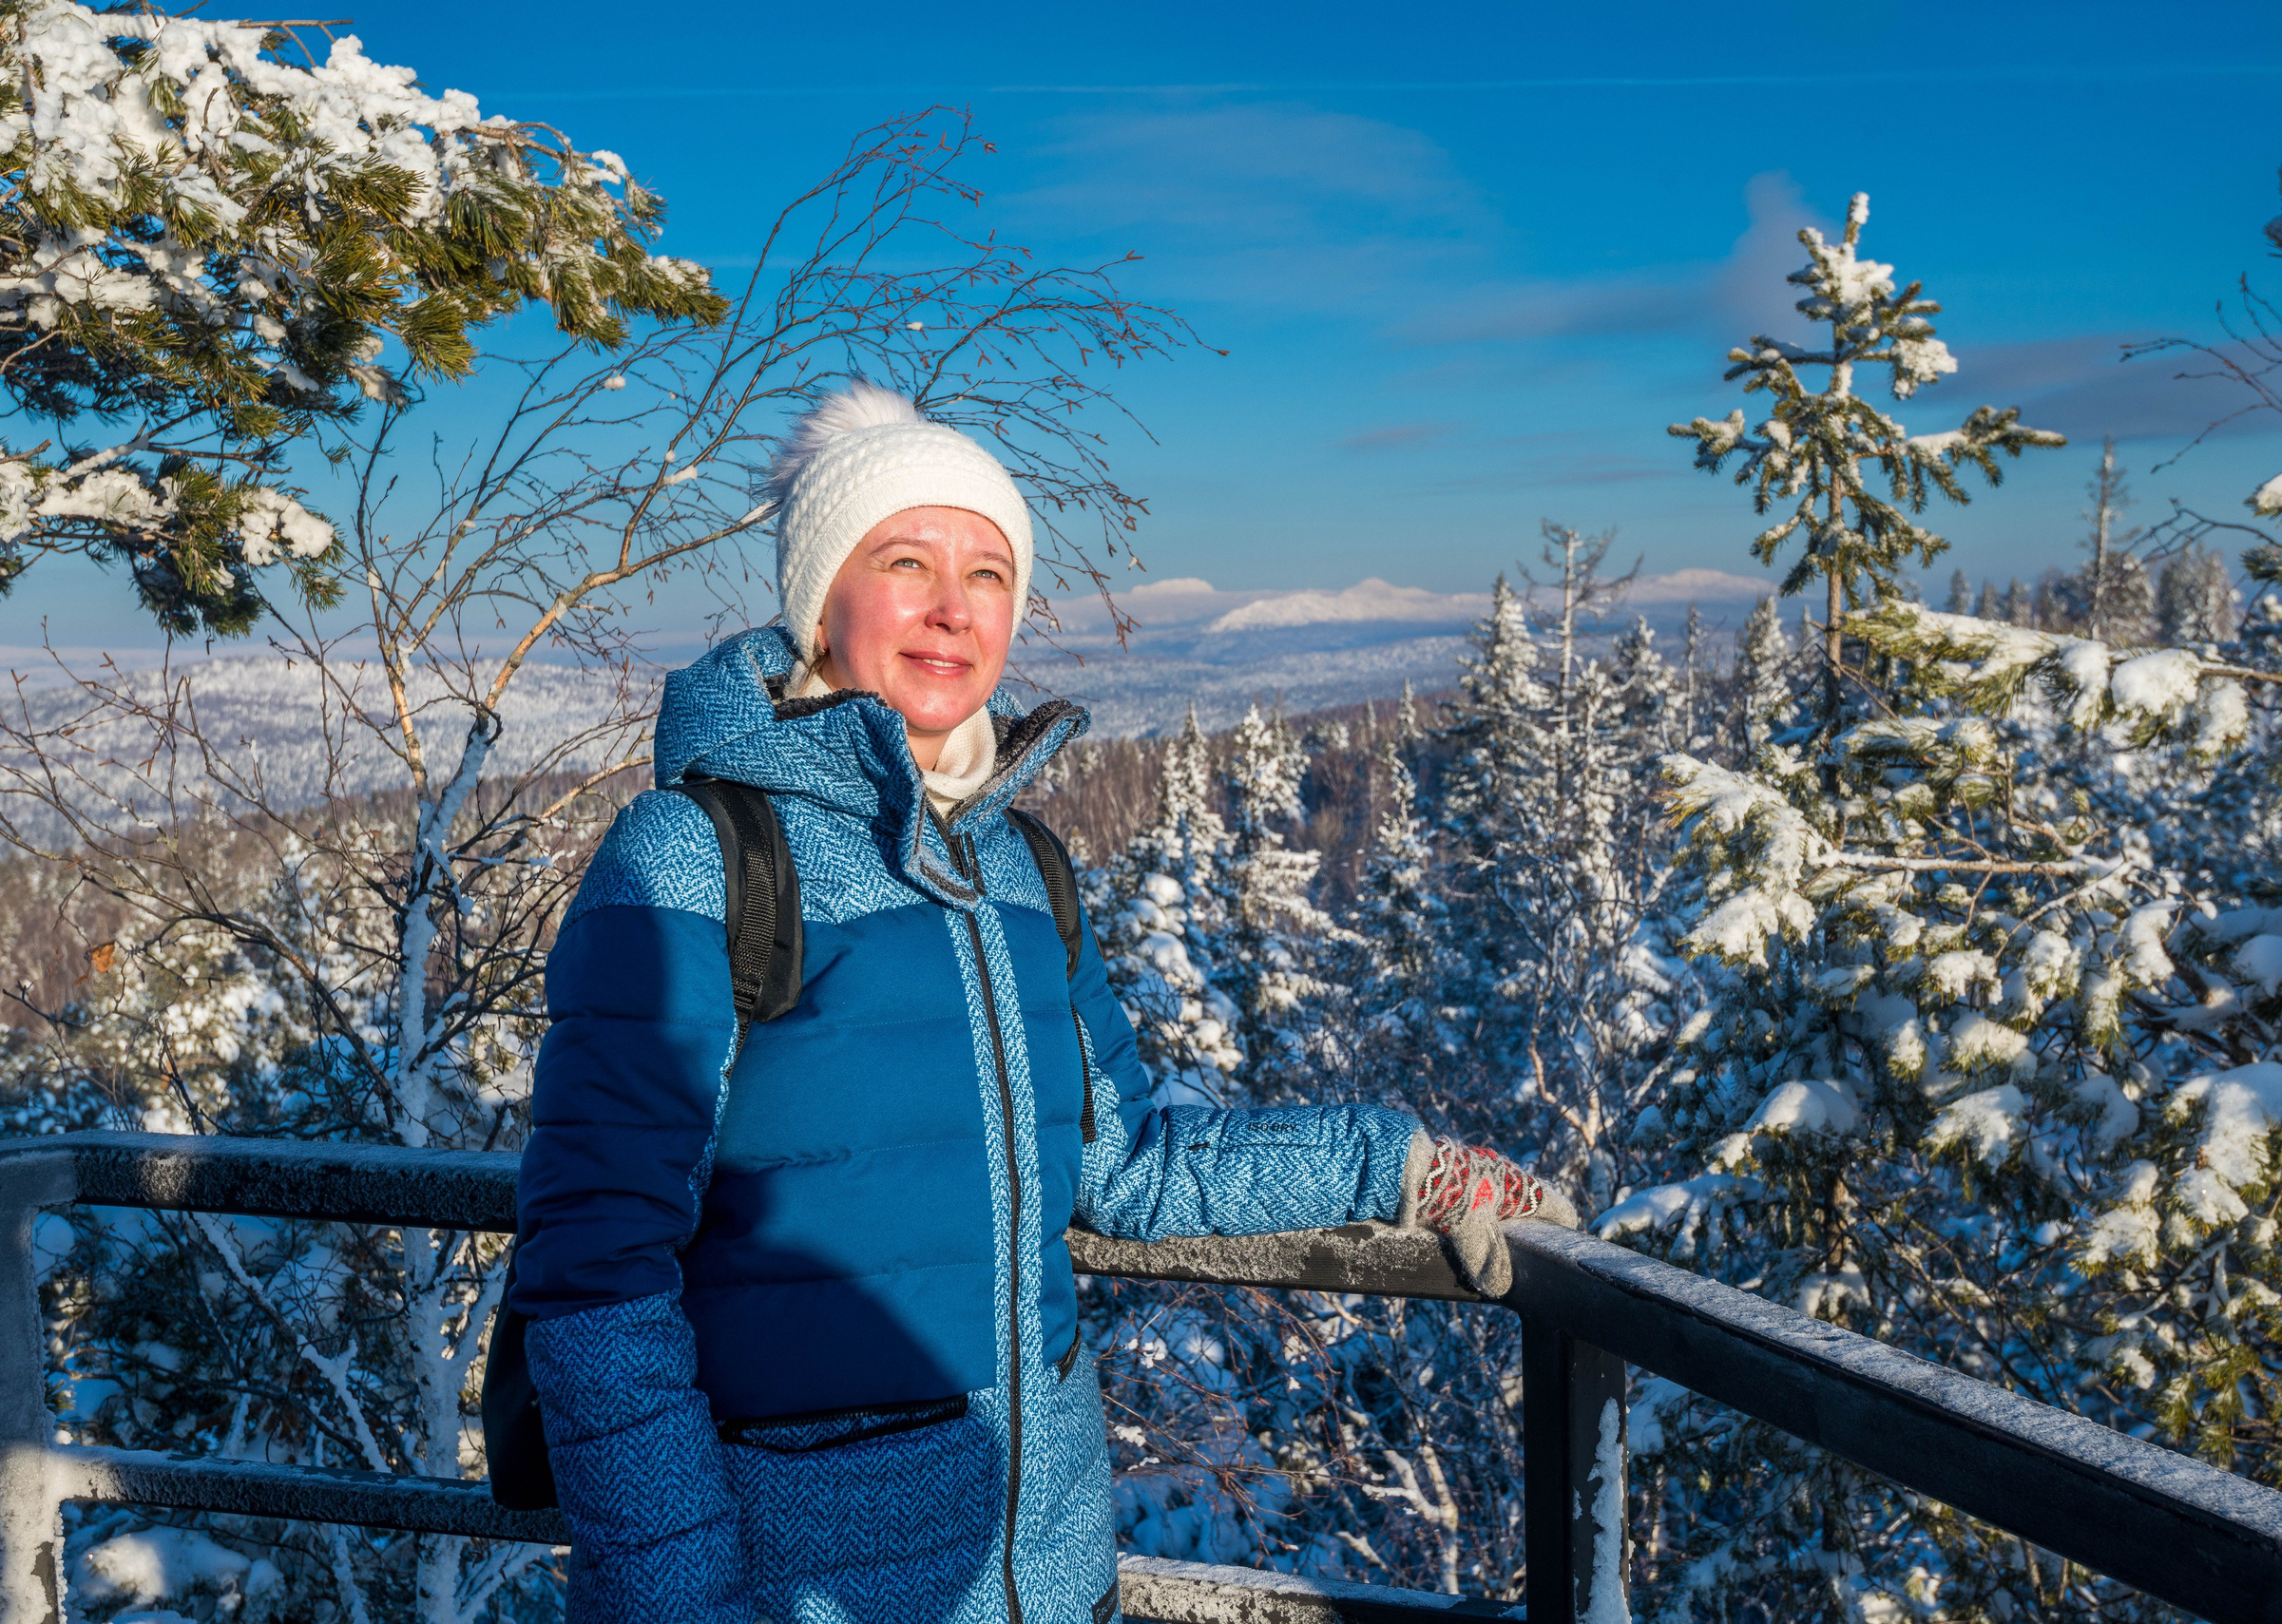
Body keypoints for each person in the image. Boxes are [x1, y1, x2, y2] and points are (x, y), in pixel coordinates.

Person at [512, 381, 1580, 1624]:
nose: (954, 607)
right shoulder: (694, 853)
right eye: (906, 559)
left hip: (1050, 1572)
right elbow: (598, 1275)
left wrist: (1402, 1163)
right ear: (817, 598)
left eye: (991, 573)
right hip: (798, 1586)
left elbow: (1127, 1164)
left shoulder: (1019, 865)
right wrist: (675, 1599)